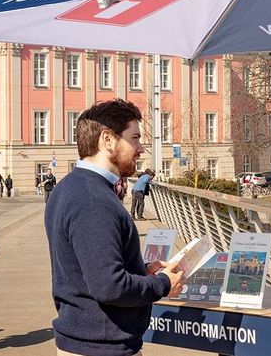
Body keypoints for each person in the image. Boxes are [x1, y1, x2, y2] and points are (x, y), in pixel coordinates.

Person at [45, 99, 183, 356]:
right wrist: (163, 284)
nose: (141, 148)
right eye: (135, 138)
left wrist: (142, 271)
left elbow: (87, 269)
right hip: (100, 347)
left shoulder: (70, 187)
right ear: (108, 140)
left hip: (88, 341)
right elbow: (109, 286)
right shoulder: (93, 199)